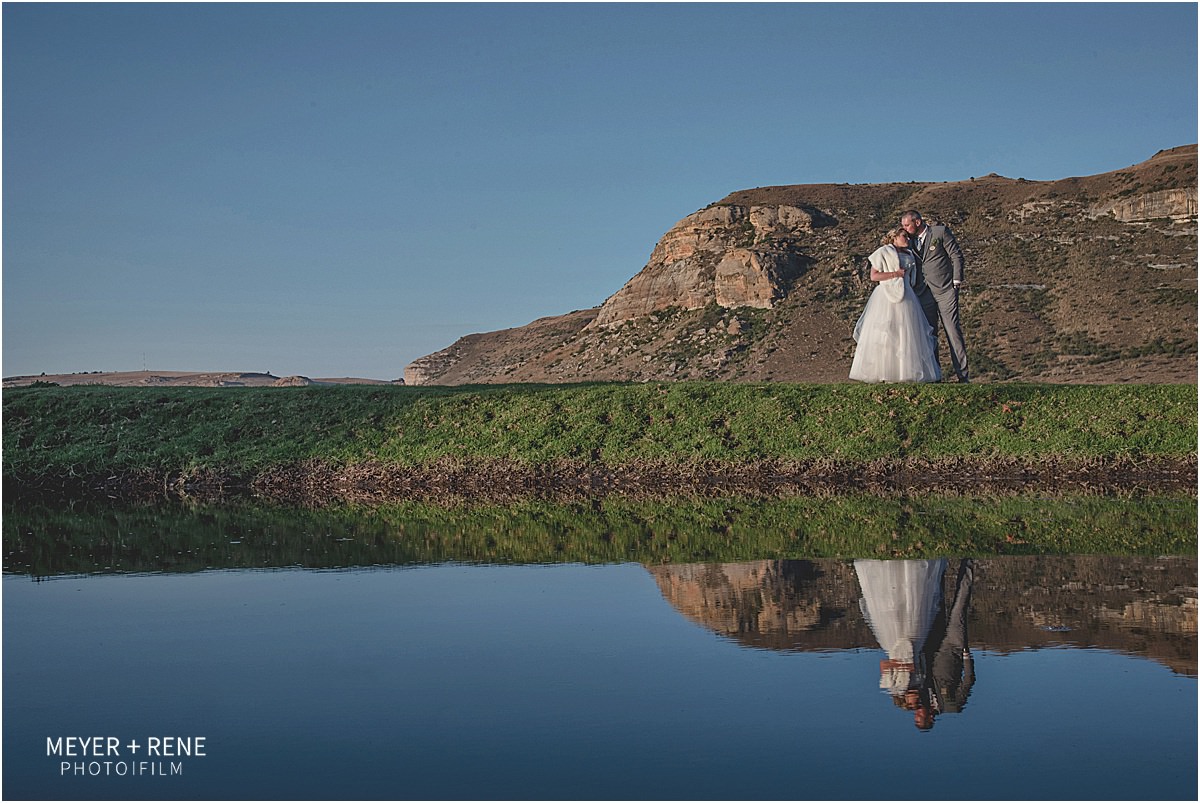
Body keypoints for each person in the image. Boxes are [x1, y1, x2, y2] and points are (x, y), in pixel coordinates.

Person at [848, 227, 942, 383]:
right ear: (894, 238)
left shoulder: (910, 254)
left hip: (907, 296)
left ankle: (905, 372)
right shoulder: (883, 252)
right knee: (886, 333)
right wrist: (895, 274)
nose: (907, 239)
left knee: (907, 333)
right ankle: (885, 372)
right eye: (904, 236)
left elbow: (912, 278)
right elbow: (874, 276)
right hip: (886, 296)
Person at [900, 210, 969, 383]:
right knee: (930, 334)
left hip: (946, 290)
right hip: (923, 293)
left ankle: (963, 376)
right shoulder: (909, 241)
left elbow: (956, 255)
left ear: (917, 222)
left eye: (907, 225)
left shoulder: (940, 232)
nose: (904, 229)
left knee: (953, 332)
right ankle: (935, 376)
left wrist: (956, 281)